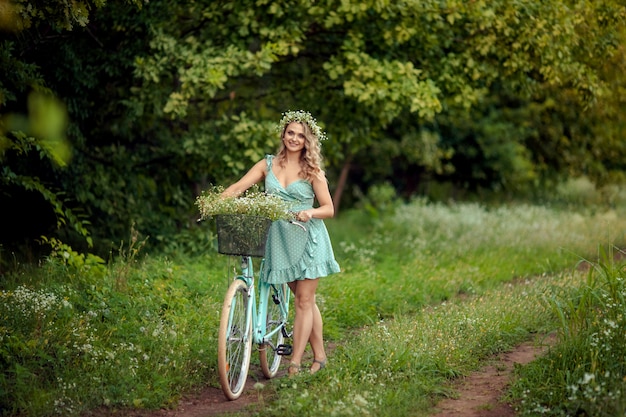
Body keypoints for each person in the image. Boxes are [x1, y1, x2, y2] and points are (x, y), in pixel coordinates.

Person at [222, 110, 340, 376]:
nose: (294, 139)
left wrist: (310, 212)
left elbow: (329, 208)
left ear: (307, 140)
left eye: (300, 135)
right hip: (281, 242)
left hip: (308, 238)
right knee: (304, 300)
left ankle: (295, 363)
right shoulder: (267, 164)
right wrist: (214, 204)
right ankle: (320, 356)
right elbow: (238, 187)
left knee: (303, 300)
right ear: (283, 134)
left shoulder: (313, 171)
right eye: (290, 133)